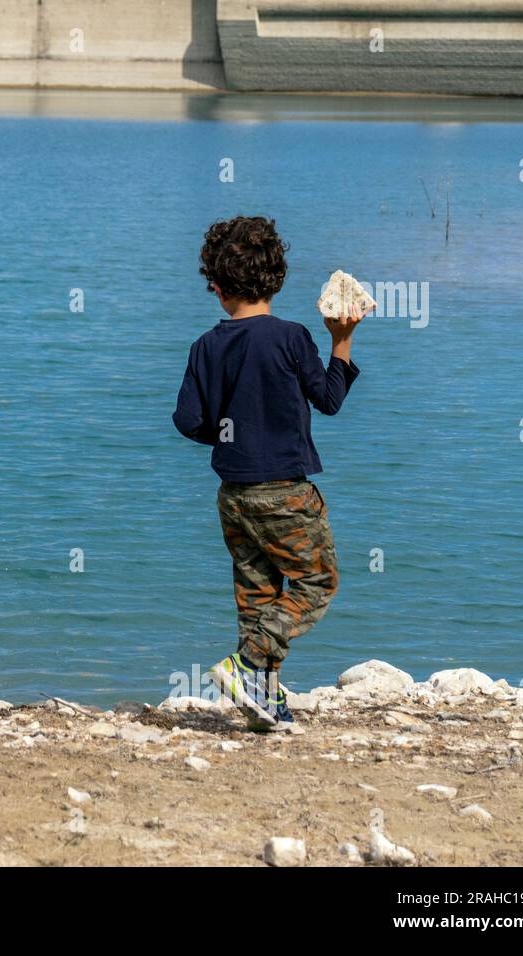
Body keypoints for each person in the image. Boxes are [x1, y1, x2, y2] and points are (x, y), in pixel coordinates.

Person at [172, 216, 367, 729]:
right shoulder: (292, 338)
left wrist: (232, 434)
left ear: (216, 287)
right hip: (285, 492)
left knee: (257, 595)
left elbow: (190, 422)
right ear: (277, 278)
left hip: (233, 492)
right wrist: (341, 342)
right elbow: (327, 400)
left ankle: (263, 699)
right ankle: (246, 666)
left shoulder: (205, 347)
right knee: (317, 582)